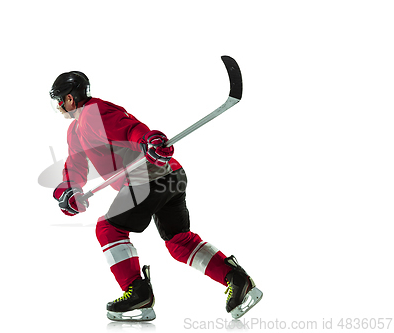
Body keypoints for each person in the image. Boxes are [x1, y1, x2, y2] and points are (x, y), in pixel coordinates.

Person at [49, 71, 262, 321]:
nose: (60, 105)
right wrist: (71, 190)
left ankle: (137, 294)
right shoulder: (75, 130)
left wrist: (147, 140)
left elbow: (129, 128)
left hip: (147, 178)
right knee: (179, 242)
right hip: (171, 175)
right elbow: (75, 164)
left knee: (108, 229)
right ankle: (237, 280)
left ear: (71, 99)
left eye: (60, 99)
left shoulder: (94, 111)